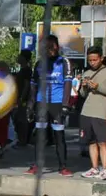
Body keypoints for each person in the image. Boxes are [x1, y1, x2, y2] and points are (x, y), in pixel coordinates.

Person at [26, 35, 74, 177]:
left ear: (57, 47)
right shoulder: (39, 63)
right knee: (40, 136)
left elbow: (68, 83)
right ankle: (36, 165)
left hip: (57, 104)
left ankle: (63, 167)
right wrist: (30, 105)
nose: (49, 50)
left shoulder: (64, 62)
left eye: (52, 46)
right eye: (46, 47)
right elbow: (33, 86)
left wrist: (65, 105)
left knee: (59, 135)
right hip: (42, 103)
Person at [79, 46, 106, 180]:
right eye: (90, 60)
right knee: (91, 141)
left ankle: (105, 169)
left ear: (101, 58)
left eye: (95, 60)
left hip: (101, 111)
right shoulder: (86, 73)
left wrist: (98, 87)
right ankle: (94, 167)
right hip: (87, 110)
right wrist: (84, 87)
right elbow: (83, 94)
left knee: (102, 141)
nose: (92, 62)